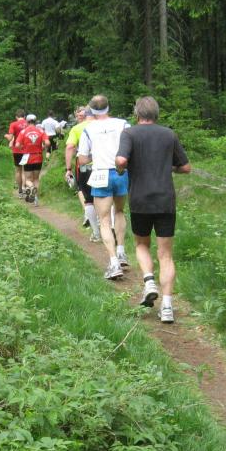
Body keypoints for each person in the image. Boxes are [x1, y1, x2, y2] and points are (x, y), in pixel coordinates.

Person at [115, 96, 191, 323]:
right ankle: (167, 307)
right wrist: (169, 168)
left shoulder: (129, 134)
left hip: (140, 199)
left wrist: (121, 169)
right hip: (165, 200)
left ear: (137, 113)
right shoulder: (169, 134)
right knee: (166, 254)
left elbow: (121, 160)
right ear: (156, 114)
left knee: (141, 244)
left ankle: (149, 281)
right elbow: (186, 167)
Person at [77, 94, 131, 280]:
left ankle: (114, 262)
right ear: (109, 107)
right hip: (121, 172)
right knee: (120, 211)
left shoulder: (88, 129)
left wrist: (96, 154)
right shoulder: (123, 124)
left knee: (104, 219)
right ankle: (122, 251)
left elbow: (82, 159)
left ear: (91, 110)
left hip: (101, 174)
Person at [65, 106, 101, 242]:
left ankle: (96, 232)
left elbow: (70, 147)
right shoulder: (103, 125)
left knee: (88, 199)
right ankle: (109, 226)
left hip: (84, 166)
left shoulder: (77, 128)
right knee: (105, 195)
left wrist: (68, 168)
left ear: (84, 115)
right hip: (103, 164)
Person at [14, 114, 49, 206]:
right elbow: (47, 143)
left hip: (28, 157)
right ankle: (35, 199)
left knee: (28, 179)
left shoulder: (23, 132)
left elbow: (17, 145)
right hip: (38, 157)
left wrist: (23, 149)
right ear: (35, 121)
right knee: (36, 178)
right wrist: (43, 148)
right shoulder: (41, 131)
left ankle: (31, 188)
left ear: (27, 121)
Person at [5, 109, 28, 196]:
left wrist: (6, 135)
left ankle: (20, 191)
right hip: (27, 150)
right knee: (25, 170)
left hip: (17, 150)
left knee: (18, 171)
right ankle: (25, 188)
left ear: (16, 117)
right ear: (24, 116)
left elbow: (10, 138)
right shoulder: (28, 124)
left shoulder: (13, 124)